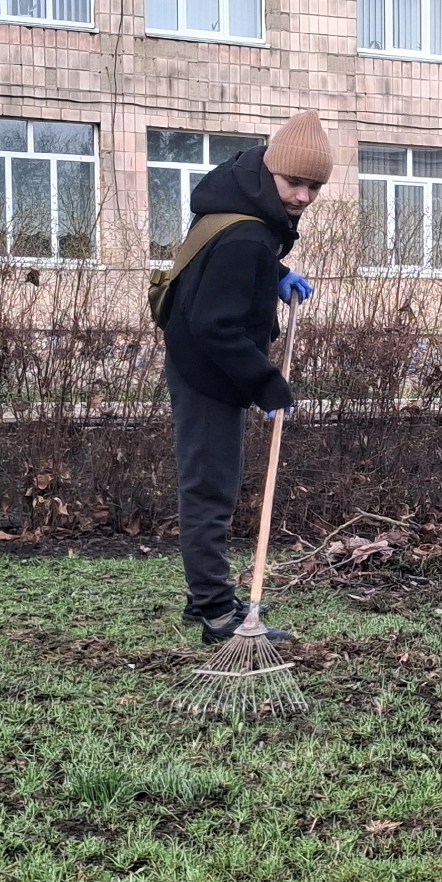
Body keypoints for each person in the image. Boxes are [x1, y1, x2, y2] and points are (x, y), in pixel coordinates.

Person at [163, 111, 329, 644]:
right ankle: (215, 613)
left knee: (211, 484)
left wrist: (275, 274)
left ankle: (206, 597)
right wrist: (265, 382)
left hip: (199, 361)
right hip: (207, 370)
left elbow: (216, 264)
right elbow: (214, 325)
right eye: (294, 182)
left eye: (314, 187)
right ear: (270, 169)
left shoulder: (234, 198)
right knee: (209, 491)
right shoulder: (249, 236)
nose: (302, 196)